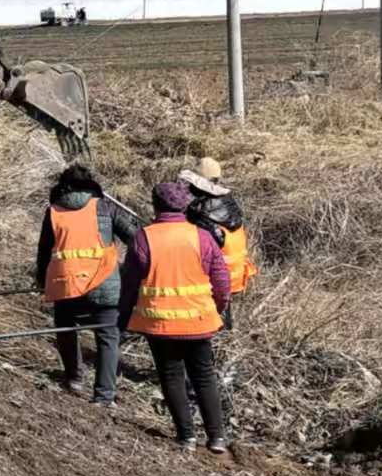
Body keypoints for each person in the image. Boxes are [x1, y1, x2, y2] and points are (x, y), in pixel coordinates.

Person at [121, 180, 233, 453]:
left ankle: (186, 437)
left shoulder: (143, 237)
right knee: (204, 376)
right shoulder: (202, 237)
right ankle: (217, 437)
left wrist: (123, 317)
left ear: (155, 204)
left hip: (160, 322)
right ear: (185, 205)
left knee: (171, 375)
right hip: (198, 320)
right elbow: (221, 280)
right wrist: (217, 308)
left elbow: (129, 284)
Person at [34, 163, 138, 406]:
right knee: (108, 336)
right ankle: (104, 395)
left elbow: (43, 252)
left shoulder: (53, 212)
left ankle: (73, 378)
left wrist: (42, 281)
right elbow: (136, 239)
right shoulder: (106, 207)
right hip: (103, 281)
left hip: (66, 281)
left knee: (65, 328)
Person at [182, 157, 256, 329]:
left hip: (215, 282)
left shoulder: (201, 213)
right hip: (234, 277)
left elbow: (190, 250)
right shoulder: (229, 204)